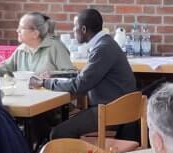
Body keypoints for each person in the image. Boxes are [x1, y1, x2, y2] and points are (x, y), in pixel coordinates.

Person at [36, 8, 137, 140]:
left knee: (58, 133)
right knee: (54, 121)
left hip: (110, 111)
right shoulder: (105, 43)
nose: (73, 30)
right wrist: (54, 76)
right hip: (117, 108)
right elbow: (85, 76)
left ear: (83, 29)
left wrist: (46, 83)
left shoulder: (103, 48)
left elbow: (80, 85)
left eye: (75, 26)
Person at [0, 12, 74, 77]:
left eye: (21, 28)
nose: (17, 30)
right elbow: (5, 68)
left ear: (35, 34)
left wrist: (52, 75)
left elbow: (71, 73)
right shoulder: (21, 49)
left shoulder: (55, 47)